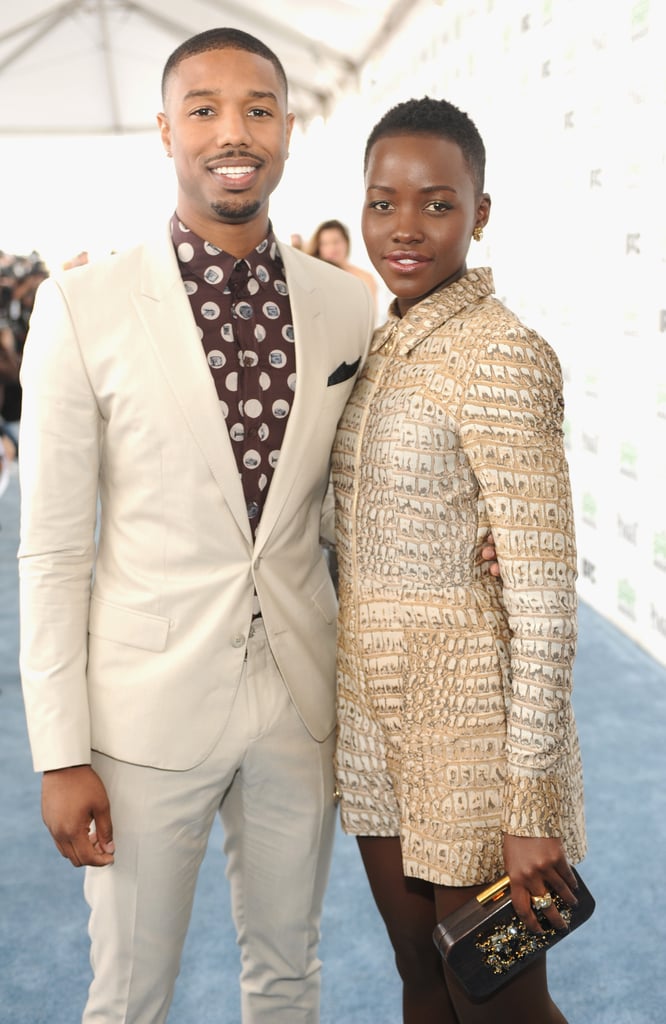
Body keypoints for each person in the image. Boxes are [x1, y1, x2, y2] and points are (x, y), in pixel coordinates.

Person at [17, 27, 376, 1024]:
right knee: (130, 993)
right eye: (207, 109)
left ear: (289, 131)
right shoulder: (81, 307)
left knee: (288, 978)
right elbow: (50, 549)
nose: (235, 132)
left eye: (258, 108)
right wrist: (59, 749)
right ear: (165, 128)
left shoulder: (347, 307)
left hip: (299, 700)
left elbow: (359, 501)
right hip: (142, 712)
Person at [331, 96, 587, 1024]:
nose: (405, 228)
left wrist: (531, 804)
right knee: (422, 983)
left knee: (498, 1003)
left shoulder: (503, 354)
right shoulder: (383, 343)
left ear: (480, 213)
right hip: (373, 729)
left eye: (437, 204)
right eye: (383, 202)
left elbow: (548, 602)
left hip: (476, 741)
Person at [308, 218, 378, 310]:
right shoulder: (313, 278)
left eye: (336, 242)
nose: (331, 248)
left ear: (346, 242)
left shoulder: (365, 278)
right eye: (325, 244)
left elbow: (371, 316)